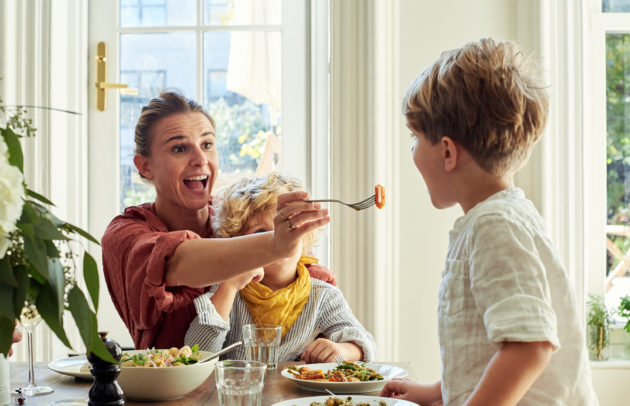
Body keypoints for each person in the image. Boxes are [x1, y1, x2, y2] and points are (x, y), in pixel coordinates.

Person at [381, 38, 597, 405]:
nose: (412, 150)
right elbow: (490, 343)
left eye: (414, 138)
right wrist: (438, 391)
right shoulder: (499, 218)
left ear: (448, 152)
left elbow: (530, 346)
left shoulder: (495, 226)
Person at [101, 90, 330, 350]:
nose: (200, 160)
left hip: (250, 382)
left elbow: (310, 283)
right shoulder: (126, 234)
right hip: (165, 388)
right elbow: (176, 262)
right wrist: (274, 245)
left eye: (207, 145)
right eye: (179, 148)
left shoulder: (237, 217)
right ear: (144, 166)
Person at [184, 172, 377, 363]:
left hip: (300, 395)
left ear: (306, 237)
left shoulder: (322, 296)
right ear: (238, 243)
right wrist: (230, 286)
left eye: (290, 229)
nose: (279, 241)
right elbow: (197, 355)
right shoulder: (228, 290)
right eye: (261, 232)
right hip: (238, 393)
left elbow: (365, 344)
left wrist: (343, 350)